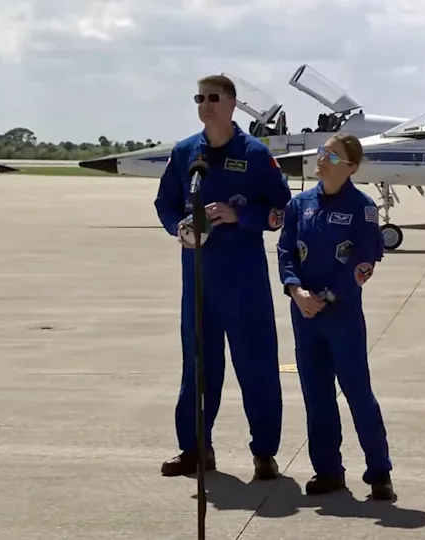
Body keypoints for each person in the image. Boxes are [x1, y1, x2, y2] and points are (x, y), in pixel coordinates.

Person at [154, 74, 292, 480]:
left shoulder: (255, 154)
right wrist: (179, 227)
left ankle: (264, 452)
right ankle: (195, 449)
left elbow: (281, 209)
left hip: (244, 280)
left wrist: (240, 215)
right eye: (199, 98)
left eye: (214, 97)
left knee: (256, 366)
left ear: (232, 104)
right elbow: (164, 203)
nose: (206, 104)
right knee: (197, 366)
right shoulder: (184, 154)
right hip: (198, 279)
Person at [276, 133, 396, 501]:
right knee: (316, 394)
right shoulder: (300, 205)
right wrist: (297, 291)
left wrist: (324, 298)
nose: (322, 158)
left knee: (357, 392)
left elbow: (362, 264)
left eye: (332, 154)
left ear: (351, 167)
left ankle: (379, 473)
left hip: (340, 314)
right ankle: (327, 470)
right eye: (323, 151)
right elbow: (285, 251)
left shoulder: (363, 209)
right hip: (305, 314)